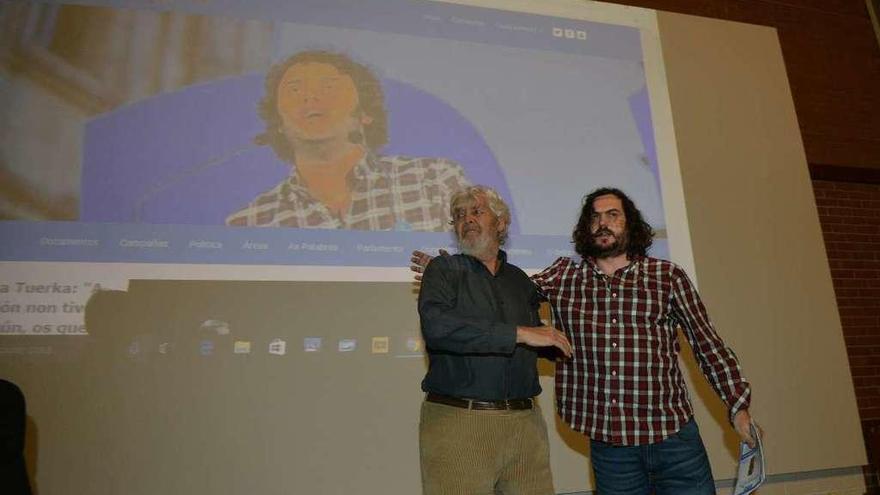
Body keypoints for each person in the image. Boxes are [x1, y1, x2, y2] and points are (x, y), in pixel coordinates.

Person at [413, 187, 759, 495]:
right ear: (585, 228)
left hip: (674, 439)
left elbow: (708, 345)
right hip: (611, 447)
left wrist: (737, 406)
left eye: (613, 215)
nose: (602, 223)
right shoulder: (563, 277)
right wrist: (458, 274)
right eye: (594, 217)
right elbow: (504, 290)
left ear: (631, 224)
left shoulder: (667, 277)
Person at [418, 185, 572, 495]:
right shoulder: (443, 270)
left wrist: (558, 343)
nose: (467, 220)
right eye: (459, 215)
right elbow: (437, 328)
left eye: (477, 211)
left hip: (526, 425)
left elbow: (534, 341)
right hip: (461, 423)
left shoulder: (519, 280)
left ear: (500, 223)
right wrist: (520, 333)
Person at [226, 50, 471, 230]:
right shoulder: (249, 222)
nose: (310, 96)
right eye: (294, 89)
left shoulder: (436, 181)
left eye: (328, 87)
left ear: (365, 114)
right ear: (278, 124)